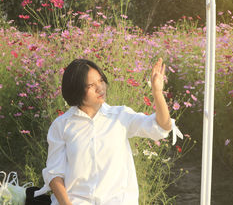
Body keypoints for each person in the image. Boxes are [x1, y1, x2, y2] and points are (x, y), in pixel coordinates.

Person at [34, 58, 182, 205]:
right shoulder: (61, 125)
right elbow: (54, 174)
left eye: (101, 80)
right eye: (91, 85)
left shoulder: (120, 116)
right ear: (76, 90)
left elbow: (162, 127)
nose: (100, 88)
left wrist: (157, 92)